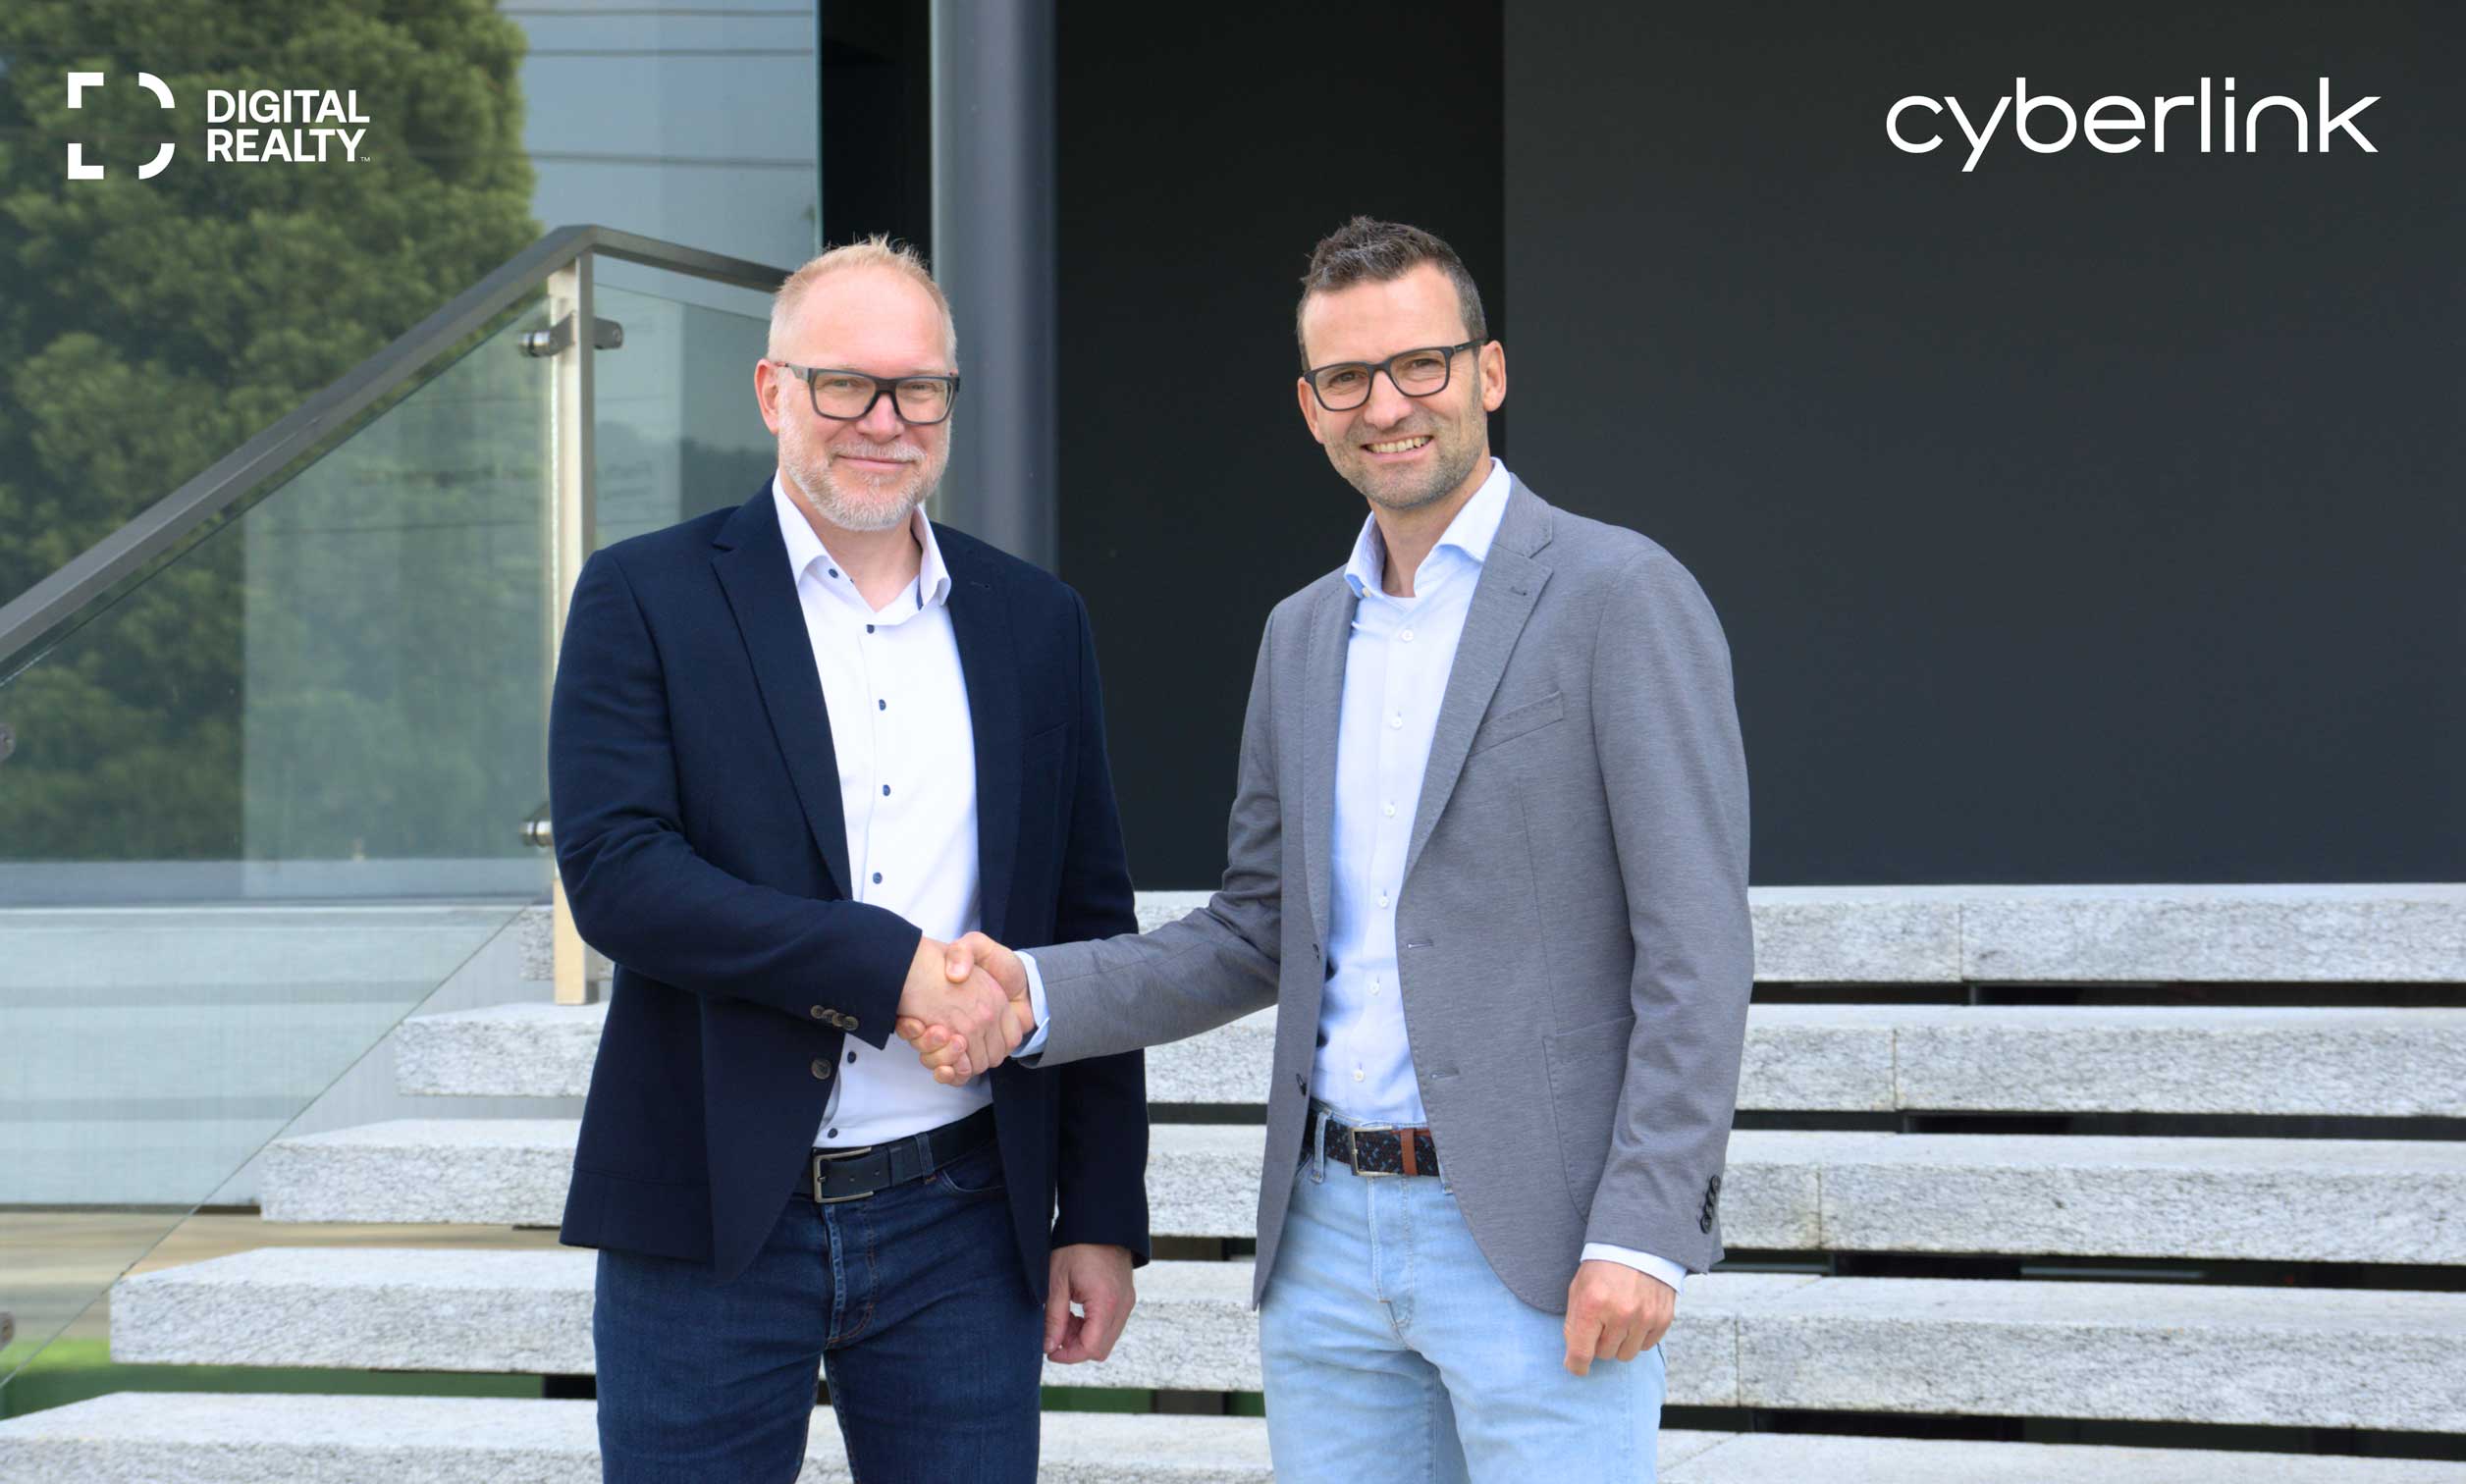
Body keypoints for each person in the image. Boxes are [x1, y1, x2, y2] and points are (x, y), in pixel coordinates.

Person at [905, 217, 1752, 1482]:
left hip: (1537, 1246)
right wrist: (1032, 995)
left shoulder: (1617, 595)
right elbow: (1255, 927)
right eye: (1347, 380)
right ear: (1311, 409)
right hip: (1324, 1243)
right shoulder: (1302, 635)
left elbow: (1695, 942)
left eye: (1421, 364)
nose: (1387, 406)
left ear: (1489, 373)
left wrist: (1642, 1231)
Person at [549, 237, 1150, 1484]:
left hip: (962, 1219)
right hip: (706, 1215)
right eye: (845, 385)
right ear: (773, 394)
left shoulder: (1038, 621)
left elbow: (1091, 924)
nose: (884, 420)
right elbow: (619, 875)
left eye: (917, 388)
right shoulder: (644, 595)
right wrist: (891, 971)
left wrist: (1097, 1217)